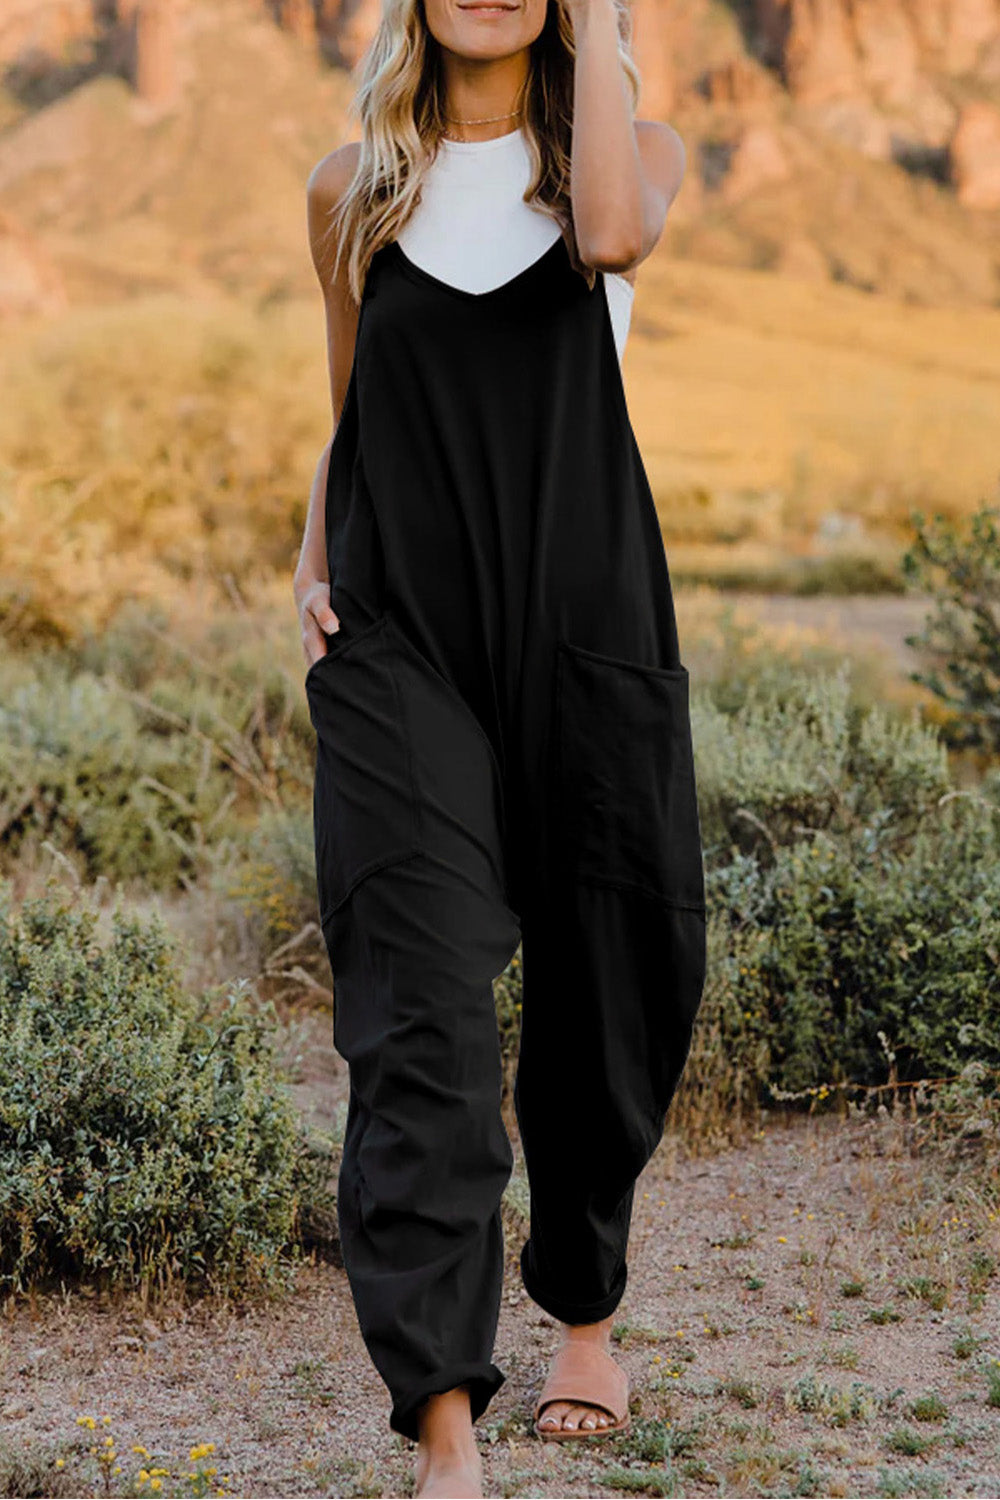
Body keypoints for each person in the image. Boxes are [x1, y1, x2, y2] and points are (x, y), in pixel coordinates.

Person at [293, 0, 707, 1492]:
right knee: (420, 1011)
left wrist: (598, 24)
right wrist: (310, 548)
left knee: (612, 978)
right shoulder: (354, 190)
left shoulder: (627, 151)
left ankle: (586, 1311)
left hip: (582, 620)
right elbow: (352, 398)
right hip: (401, 637)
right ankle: (444, 1419)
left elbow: (606, 240)